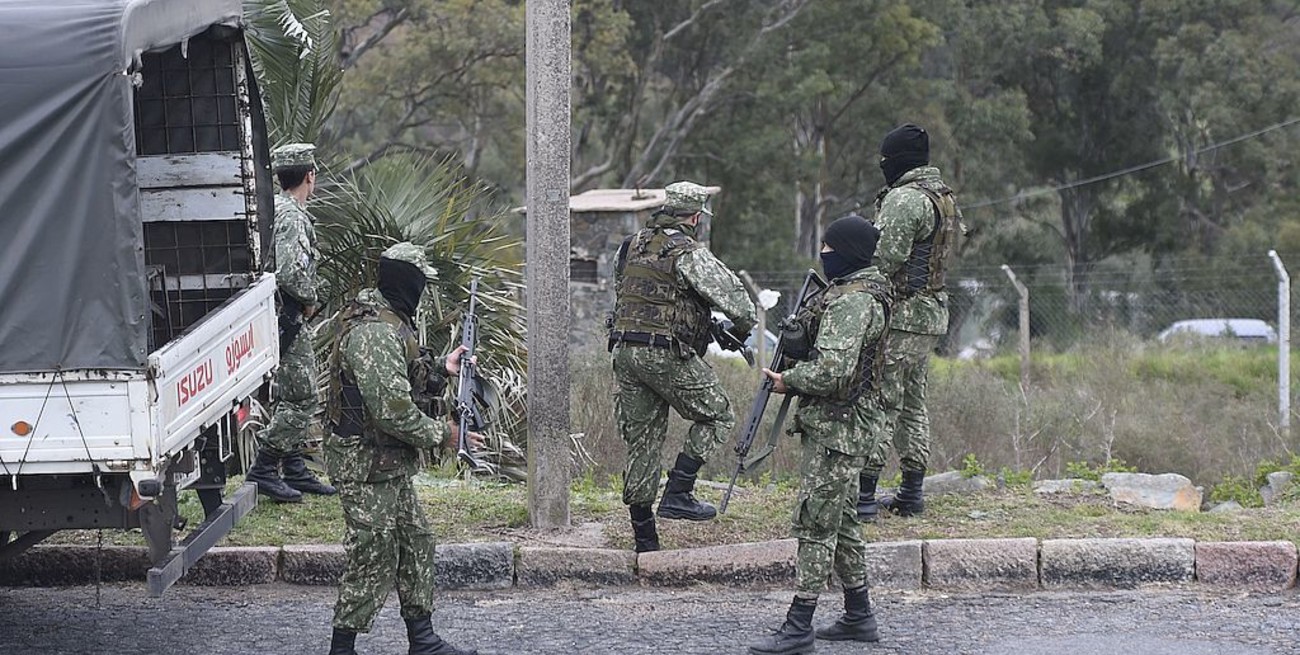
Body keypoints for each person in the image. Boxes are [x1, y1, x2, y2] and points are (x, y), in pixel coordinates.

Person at [323, 242, 480, 655]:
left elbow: (406, 377)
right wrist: (444, 436)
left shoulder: (391, 320)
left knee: (416, 542)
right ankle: (342, 647)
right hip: (363, 462)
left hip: (387, 459)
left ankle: (422, 640)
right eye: (420, 284)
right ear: (405, 282)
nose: (423, 293)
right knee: (372, 553)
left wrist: (442, 369)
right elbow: (392, 412)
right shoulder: (375, 332)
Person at [748, 215, 890, 655]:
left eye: (829, 248)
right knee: (843, 520)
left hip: (839, 427)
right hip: (845, 423)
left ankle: (798, 626)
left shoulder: (852, 301)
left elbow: (833, 372)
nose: (824, 255)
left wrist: (788, 380)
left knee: (816, 522)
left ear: (845, 251)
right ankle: (859, 616)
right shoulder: (856, 291)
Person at [609, 181, 758, 553]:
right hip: (664, 354)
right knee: (718, 415)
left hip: (626, 353)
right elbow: (740, 305)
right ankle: (679, 491)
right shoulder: (689, 252)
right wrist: (737, 330)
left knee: (643, 442)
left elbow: (629, 295)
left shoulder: (630, 246)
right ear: (695, 217)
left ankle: (645, 540)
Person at [857, 123, 961, 520]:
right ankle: (912, 491)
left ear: (896, 161)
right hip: (930, 313)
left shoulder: (904, 199)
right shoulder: (942, 196)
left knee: (880, 399)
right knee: (913, 403)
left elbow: (883, 259)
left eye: (885, 160)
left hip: (902, 315)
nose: (883, 166)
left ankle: (864, 496)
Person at [247, 142, 336, 502]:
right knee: (302, 397)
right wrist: (312, 299)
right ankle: (265, 467)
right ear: (310, 176)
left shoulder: (276, 209)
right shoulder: (292, 217)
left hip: (281, 314)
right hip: (288, 315)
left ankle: (295, 469)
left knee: (289, 393)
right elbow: (290, 273)